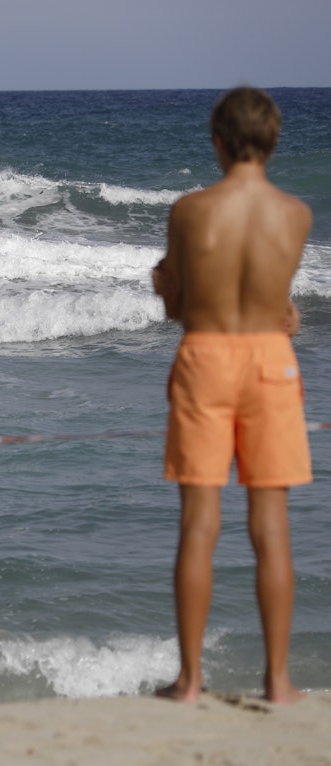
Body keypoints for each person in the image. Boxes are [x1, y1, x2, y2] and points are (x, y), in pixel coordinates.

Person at [152, 86, 312, 704]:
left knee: (199, 525)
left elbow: (178, 307)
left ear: (217, 142)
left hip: (207, 357)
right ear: (272, 143)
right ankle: (277, 681)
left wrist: (161, 285)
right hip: (272, 361)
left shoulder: (190, 211)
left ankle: (190, 682)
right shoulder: (296, 215)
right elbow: (278, 307)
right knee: (271, 527)